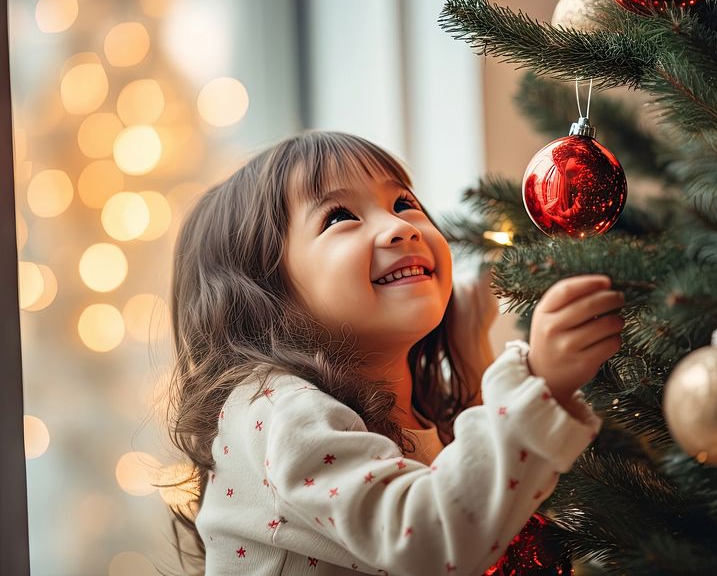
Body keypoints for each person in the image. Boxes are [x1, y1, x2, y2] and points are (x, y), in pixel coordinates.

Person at [166, 131, 626, 575]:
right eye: (339, 216)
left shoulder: (417, 408)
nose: (400, 228)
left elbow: (477, 501)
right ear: (264, 294)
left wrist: (470, 358)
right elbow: (428, 540)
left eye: (404, 203)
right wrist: (537, 382)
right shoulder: (278, 409)